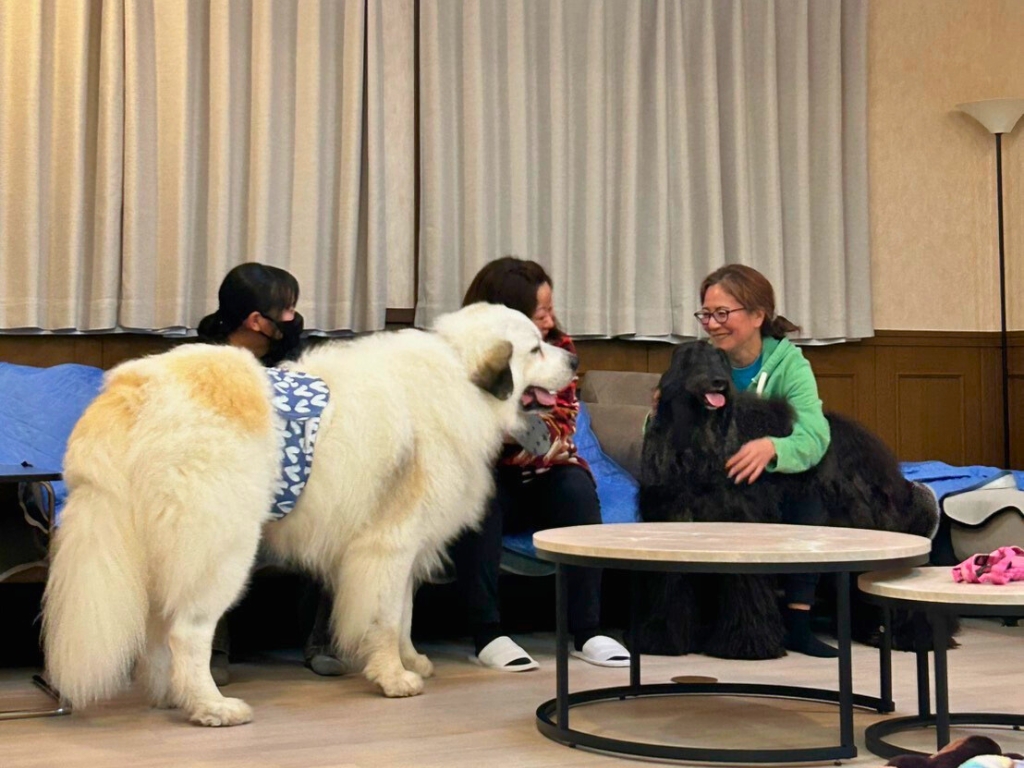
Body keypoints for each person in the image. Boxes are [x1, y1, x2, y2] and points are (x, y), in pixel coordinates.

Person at [451, 256, 630, 671]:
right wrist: (515, 434)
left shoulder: (559, 350)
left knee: (576, 486)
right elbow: (465, 436)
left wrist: (507, 429)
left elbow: (559, 426)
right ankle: (487, 633)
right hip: (489, 481)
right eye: (540, 312)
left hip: (542, 478)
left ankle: (588, 631)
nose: (550, 320)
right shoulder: (467, 357)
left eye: (550, 309)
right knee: (478, 490)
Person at [197, 262, 344, 683]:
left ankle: (324, 641)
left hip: (298, 485)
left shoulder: (304, 359)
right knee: (208, 527)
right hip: (226, 486)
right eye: (286, 310)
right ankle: (211, 649)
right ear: (256, 321)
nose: (293, 319)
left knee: (336, 516)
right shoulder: (205, 359)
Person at [693, 263, 836, 657]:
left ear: (757, 316)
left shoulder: (790, 365)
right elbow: (658, 428)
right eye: (706, 314)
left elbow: (814, 434)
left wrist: (773, 447)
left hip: (772, 479)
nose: (712, 324)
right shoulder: (700, 361)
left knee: (813, 488)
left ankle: (798, 622)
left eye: (723, 313)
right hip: (715, 478)